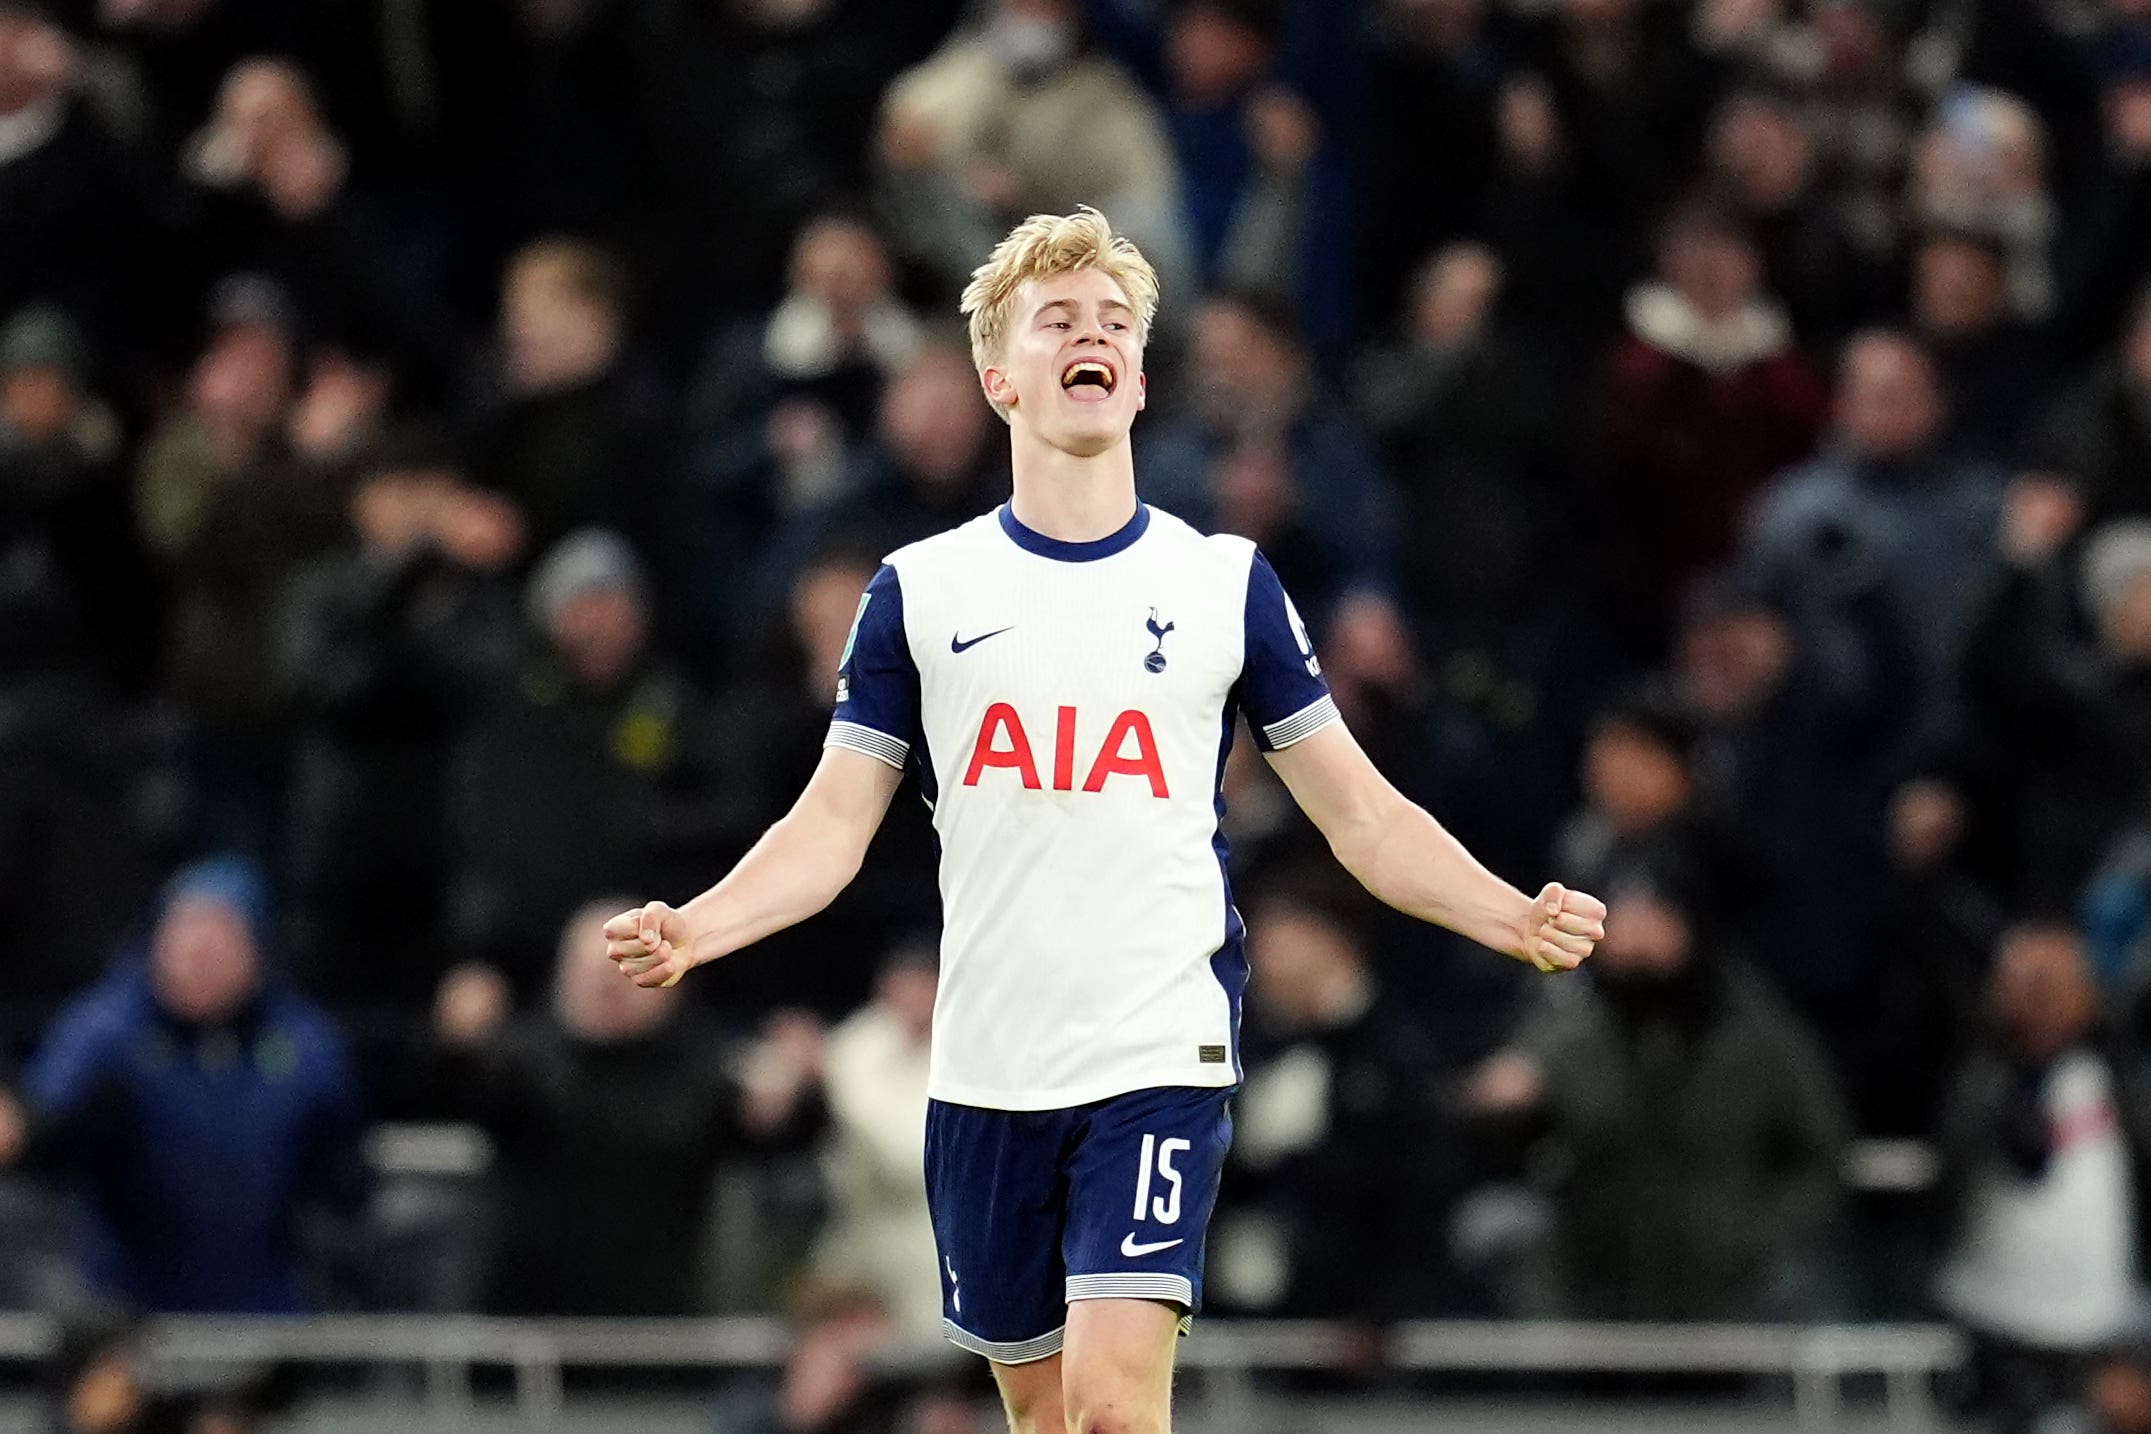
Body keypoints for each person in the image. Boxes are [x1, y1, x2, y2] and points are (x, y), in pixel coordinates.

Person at [602, 208, 1606, 1434]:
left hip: (1154, 1047)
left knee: (1115, 1411)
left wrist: (1508, 911)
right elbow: (831, 824)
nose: (1092, 337)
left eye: (1115, 324)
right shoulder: (921, 593)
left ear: (1136, 378)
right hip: (986, 1065)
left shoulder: (1222, 582)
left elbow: (1361, 816)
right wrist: (704, 928)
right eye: (1058, 319)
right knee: (1043, 1416)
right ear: (997, 377)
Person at [0, 857, 364, 1313]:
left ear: (258, 949)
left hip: (267, 1311)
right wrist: (30, 1126)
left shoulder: (304, 1042)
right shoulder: (105, 1029)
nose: (198, 953)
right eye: (185, 932)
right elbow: (43, 1122)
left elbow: (345, 1173)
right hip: (123, 1310)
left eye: (220, 936)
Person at [427, 900, 824, 1316]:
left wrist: (801, 1095)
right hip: (527, 1324)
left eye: (625, 965)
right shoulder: (518, 1062)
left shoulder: (703, 1072)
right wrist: (456, 1046)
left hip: (654, 1324)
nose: (606, 984)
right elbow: (449, 1100)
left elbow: (777, 1141)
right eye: (591, 969)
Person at [1935, 923, 2151, 1434]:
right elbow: (1988, 1152)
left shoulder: (2110, 1073)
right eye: (2028, 986)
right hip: (1994, 1317)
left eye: (2056, 985)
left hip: (2102, 1318)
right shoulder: (1983, 1074)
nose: (2043, 1002)